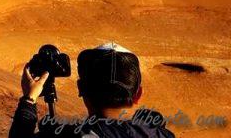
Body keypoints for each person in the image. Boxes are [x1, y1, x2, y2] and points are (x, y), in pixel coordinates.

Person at [9, 43, 175, 138]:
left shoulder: (66, 136)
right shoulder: (160, 135)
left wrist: (29, 99)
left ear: (80, 89)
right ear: (138, 95)